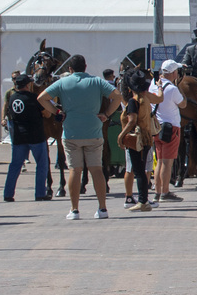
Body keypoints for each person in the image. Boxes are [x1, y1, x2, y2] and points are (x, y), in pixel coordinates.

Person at [38, 55, 121, 220]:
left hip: (71, 132)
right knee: (96, 169)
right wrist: (106, 114)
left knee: (74, 170)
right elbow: (117, 96)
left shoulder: (62, 82)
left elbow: (42, 98)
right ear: (85, 67)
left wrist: (57, 112)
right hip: (94, 131)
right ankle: (102, 208)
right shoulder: (96, 81)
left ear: (70, 69)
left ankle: (74, 209)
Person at [2, 73, 52, 203]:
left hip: (19, 136)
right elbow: (46, 114)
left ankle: (8, 193)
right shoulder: (34, 98)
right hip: (35, 135)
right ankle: (40, 193)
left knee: (15, 165)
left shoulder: (12, 98)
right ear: (28, 84)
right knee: (42, 164)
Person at [148, 60, 187, 205]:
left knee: (159, 161)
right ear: (173, 73)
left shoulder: (153, 85)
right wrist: (178, 86)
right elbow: (183, 104)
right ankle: (164, 191)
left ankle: (157, 192)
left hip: (157, 127)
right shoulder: (172, 89)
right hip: (171, 128)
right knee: (167, 162)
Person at [119, 69, 156, 212]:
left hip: (136, 140)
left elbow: (132, 121)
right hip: (146, 138)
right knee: (141, 170)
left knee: (139, 171)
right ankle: (143, 200)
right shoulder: (145, 100)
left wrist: (121, 135)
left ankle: (143, 200)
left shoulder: (133, 101)